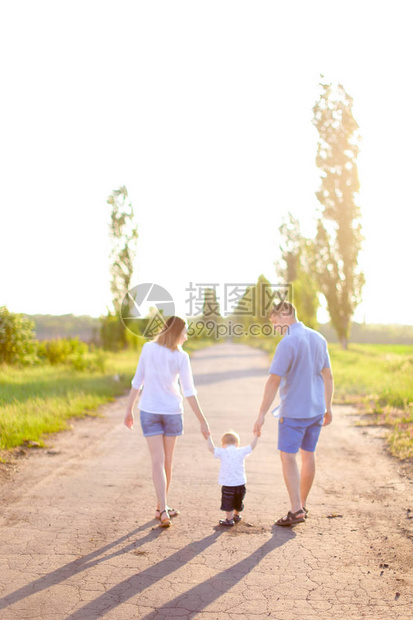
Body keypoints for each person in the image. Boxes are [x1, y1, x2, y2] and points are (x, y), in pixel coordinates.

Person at [124, 316, 210, 528]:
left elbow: (138, 381)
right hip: (171, 412)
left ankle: (161, 507)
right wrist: (202, 420)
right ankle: (163, 509)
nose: (187, 336)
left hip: (149, 411)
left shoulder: (148, 349)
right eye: (185, 332)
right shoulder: (181, 357)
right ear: (177, 332)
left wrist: (129, 410)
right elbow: (189, 391)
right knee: (166, 462)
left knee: (158, 462)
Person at [254, 301, 333, 526]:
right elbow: (328, 376)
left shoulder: (288, 342)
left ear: (286, 315)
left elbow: (273, 380)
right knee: (308, 454)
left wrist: (261, 413)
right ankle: (301, 505)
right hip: (316, 410)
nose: (275, 327)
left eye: (276, 321)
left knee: (288, 457)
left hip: (294, 413)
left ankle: (296, 508)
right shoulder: (319, 338)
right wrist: (329, 407)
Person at [206, 429, 258, 526]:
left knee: (228, 502)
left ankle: (229, 519)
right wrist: (256, 436)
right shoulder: (240, 451)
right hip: (240, 483)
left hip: (228, 483)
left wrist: (208, 437)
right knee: (238, 500)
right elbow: (251, 446)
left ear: (223, 444)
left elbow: (211, 448)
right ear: (237, 444)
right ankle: (236, 515)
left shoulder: (223, 452)